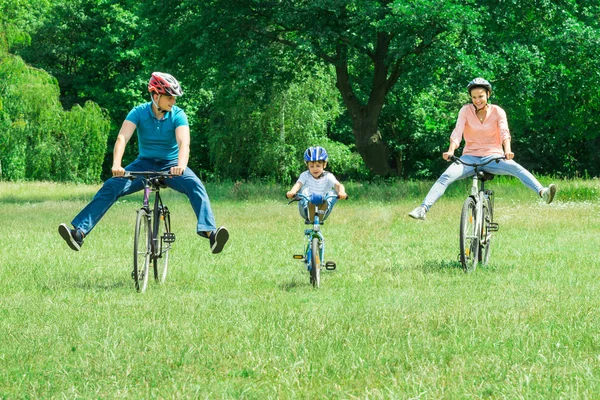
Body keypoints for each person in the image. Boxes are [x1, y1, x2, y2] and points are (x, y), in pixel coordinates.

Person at [58, 72, 229, 253]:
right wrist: (117, 164)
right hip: (143, 165)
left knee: (195, 185)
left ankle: (211, 235)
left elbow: (183, 142)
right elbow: (122, 138)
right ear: (156, 96)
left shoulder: (178, 115)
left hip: (171, 165)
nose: (173, 101)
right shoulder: (138, 112)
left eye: (175, 98)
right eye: (169, 97)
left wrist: (181, 165)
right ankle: (80, 233)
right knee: (111, 186)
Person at [408, 77, 557, 220]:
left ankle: (542, 192)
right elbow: (457, 132)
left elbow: (504, 131)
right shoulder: (465, 111)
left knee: (516, 169)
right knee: (446, 176)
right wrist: (451, 151)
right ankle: (423, 208)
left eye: (480, 96)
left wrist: (507, 150)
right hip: (469, 158)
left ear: (488, 94)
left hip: (493, 157)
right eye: (474, 97)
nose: (477, 100)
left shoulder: (498, 111)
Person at [286, 146, 348, 223]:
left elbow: (338, 185)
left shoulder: (328, 176)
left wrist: (342, 192)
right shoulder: (305, 175)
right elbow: (298, 184)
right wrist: (292, 192)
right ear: (307, 165)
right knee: (303, 189)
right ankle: (309, 209)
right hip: (306, 208)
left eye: (318, 166)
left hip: (323, 208)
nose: (315, 169)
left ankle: (322, 209)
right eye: (311, 166)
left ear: (324, 164)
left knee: (333, 192)